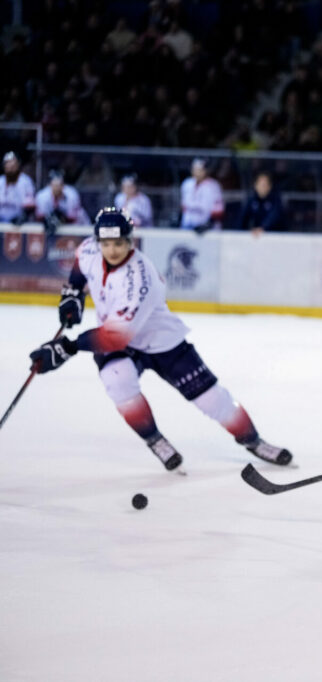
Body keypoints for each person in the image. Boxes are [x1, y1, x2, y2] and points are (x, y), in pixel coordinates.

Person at [28, 208, 293, 472]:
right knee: (117, 381)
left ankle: (254, 441)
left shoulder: (140, 278)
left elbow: (115, 337)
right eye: (106, 243)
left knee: (214, 400)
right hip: (121, 341)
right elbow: (80, 265)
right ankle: (154, 439)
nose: (112, 250)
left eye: (119, 243)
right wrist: (72, 293)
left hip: (161, 343)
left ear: (130, 240)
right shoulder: (89, 249)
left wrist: (68, 347)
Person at [179, 158, 224, 233]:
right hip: (187, 226)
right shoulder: (187, 184)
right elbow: (184, 207)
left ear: (205, 171)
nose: (197, 172)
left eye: (200, 170)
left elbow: (219, 211)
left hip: (207, 230)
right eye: (195, 169)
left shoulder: (213, 186)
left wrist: (208, 224)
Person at [0, 151, 36, 225]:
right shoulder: (0, 181)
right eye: (7, 164)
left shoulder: (26, 181)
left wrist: (24, 216)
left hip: (19, 222)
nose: (10, 166)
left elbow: (31, 206)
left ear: (18, 165)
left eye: (13, 164)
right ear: (4, 166)